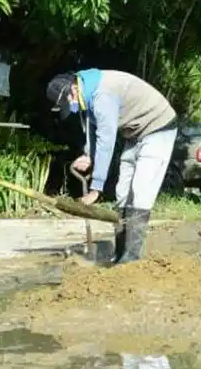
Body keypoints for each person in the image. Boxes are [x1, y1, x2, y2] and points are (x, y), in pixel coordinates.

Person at [45, 69, 177, 264]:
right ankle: (121, 254)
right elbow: (92, 125)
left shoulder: (102, 94)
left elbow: (106, 139)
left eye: (68, 102)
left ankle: (131, 259)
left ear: (72, 89)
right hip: (135, 134)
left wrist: (96, 189)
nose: (71, 107)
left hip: (158, 127)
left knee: (141, 190)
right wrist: (89, 155)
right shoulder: (86, 90)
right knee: (122, 192)